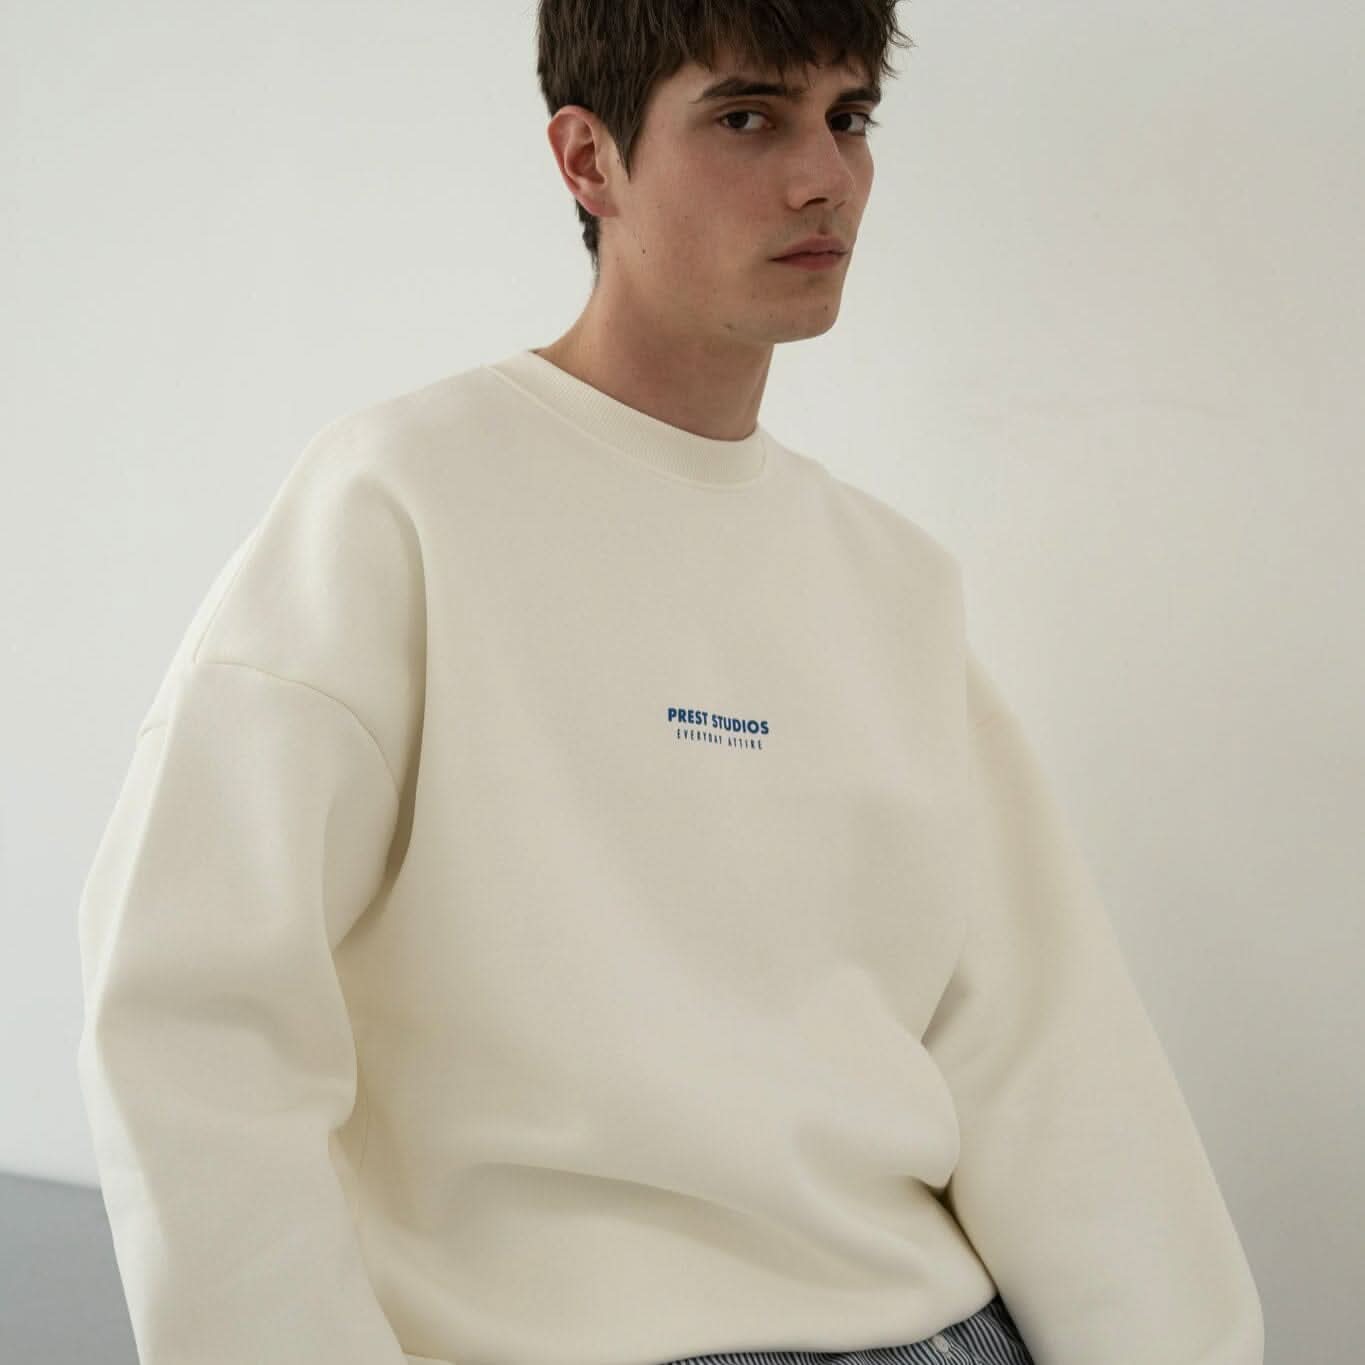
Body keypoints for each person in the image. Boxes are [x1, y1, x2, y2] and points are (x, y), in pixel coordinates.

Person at [75, 3, 1265, 1364]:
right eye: (747, 117)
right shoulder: (403, 504)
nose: (823, 177)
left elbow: (1052, 1065)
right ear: (588, 160)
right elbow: (193, 1016)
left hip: (938, 1331)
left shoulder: (890, 583)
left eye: (849, 118)